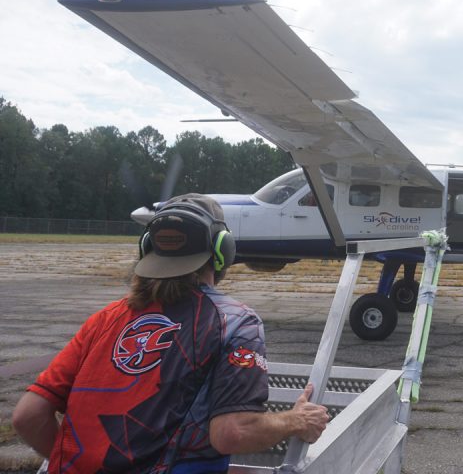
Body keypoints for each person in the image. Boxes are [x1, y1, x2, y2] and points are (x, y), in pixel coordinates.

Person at [12, 194, 329, 473]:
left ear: (147, 249)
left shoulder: (103, 318)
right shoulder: (235, 321)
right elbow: (231, 432)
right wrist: (296, 420)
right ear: (222, 249)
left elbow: (27, 417)